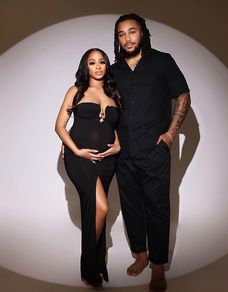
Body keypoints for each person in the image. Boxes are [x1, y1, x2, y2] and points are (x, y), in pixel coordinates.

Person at [111, 13, 191, 292]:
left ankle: (158, 265)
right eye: (121, 34)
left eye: (132, 32)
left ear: (142, 33)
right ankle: (141, 256)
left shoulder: (162, 61)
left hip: (154, 150)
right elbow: (97, 104)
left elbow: (183, 94)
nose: (127, 38)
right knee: (131, 205)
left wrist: (170, 134)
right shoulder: (114, 70)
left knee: (157, 208)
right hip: (123, 151)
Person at [55, 48, 121, 288]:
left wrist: (118, 146)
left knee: (94, 210)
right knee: (102, 208)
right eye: (92, 63)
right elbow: (60, 126)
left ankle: (96, 264)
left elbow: (116, 127)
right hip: (79, 158)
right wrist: (75, 150)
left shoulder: (114, 93)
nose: (98, 66)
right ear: (86, 67)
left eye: (102, 62)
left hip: (107, 160)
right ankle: (89, 264)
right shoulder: (76, 91)